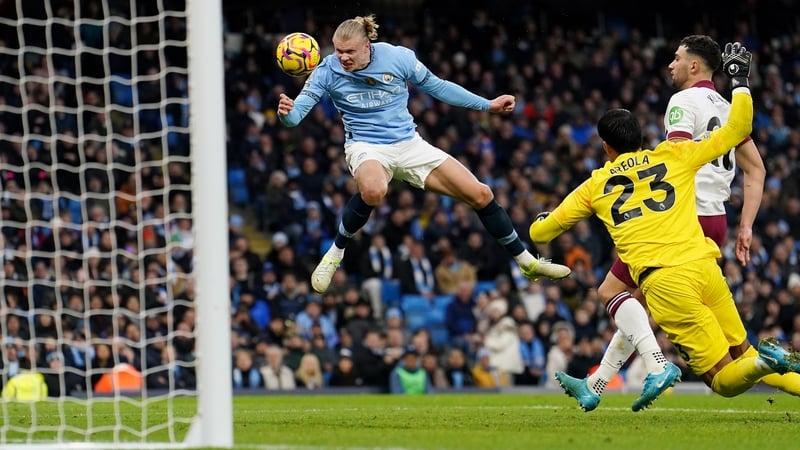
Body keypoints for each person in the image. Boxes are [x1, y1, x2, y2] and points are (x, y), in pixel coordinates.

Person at [531, 42, 800, 412]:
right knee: (643, 305)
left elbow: (541, 233)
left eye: (677, 58)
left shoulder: (679, 106)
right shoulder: (719, 112)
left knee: (619, 294)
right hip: (710, 227)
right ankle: (597, 382)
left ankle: (655, 366)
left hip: (679, 221)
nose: (671, 64)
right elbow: (755, 164)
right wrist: (746, 225)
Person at [276, 14, 571, 294]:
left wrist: (487, 104)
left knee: (481, 194)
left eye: (349, 51)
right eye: (338, 51)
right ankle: (334, 254)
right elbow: (296, 116)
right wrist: (286, 114)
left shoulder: (398, 58)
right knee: (374, 190)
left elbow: (439, 87)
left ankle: (526, 262)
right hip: (366, 146)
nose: (342, 58)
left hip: (409, 144)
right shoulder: (326, 70)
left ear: (367, 45)